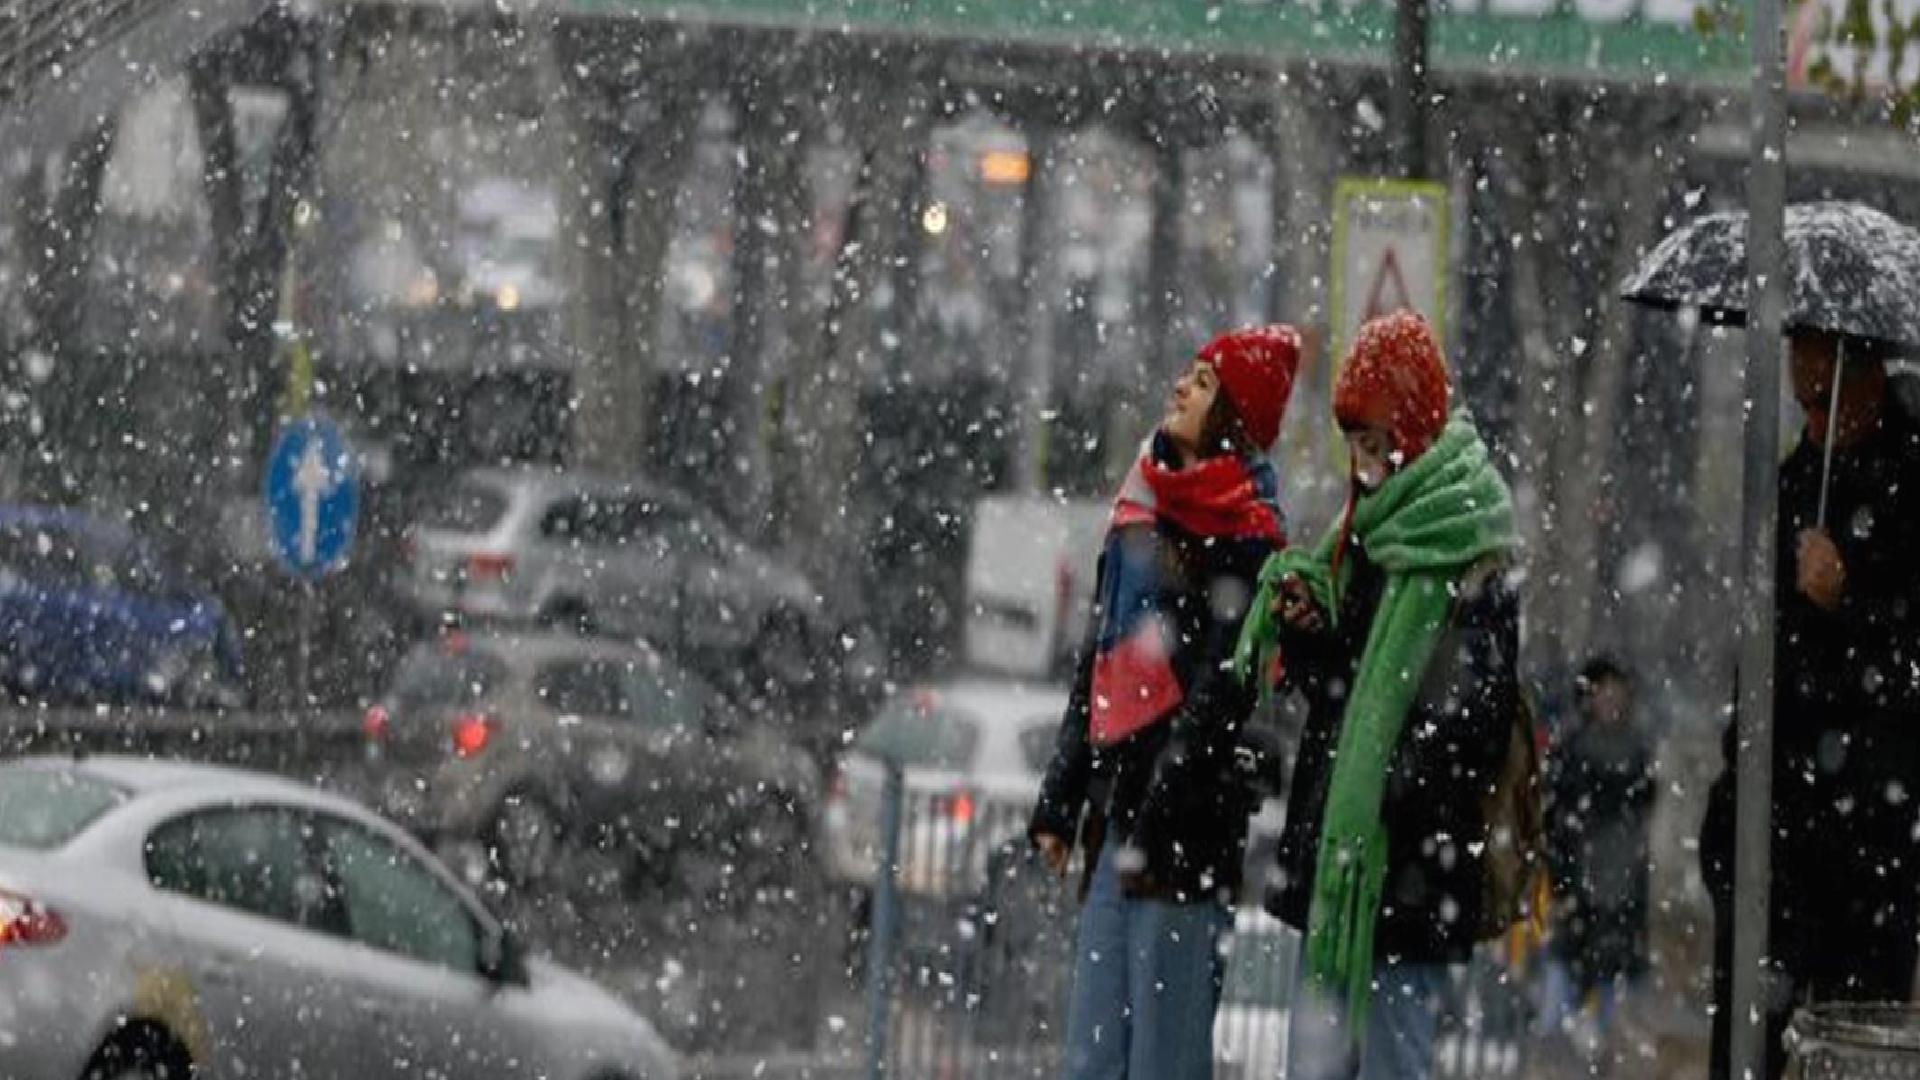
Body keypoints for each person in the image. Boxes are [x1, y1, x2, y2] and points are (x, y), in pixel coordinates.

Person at [1235, 311, 1521, 1080]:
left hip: (1408, 876)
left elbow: (1474, 720)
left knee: (1396, 1058)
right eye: (1354, 447)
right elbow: (1342, 689)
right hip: (1341, 868)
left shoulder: (1470, 541)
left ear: (1416, 428)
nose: (1362, 467)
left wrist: (1389, 788)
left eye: (1374, 444)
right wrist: (1303, 633)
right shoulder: (1361, 532)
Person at [1028, 324, 1301, 1080]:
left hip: (1185, 838)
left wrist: (1153, 820)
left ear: (1233, 419)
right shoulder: (1141, 508)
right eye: (1187, 374)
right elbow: (1099, 664)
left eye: (1204, 384)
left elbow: (1219, 693)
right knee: (1091, 1061)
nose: (1180, 387)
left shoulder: (1249, 540)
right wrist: (1062, 797)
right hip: (1122, 823)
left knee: (1163, 1064)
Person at [1702, 331, 1920, 1080]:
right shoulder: (1798, 479)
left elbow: (1902, 661)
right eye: (1802, 399)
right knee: (1749, 1040)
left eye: (1824, 395)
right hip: (1776, 830)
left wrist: (1849, 600)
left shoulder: (1906, 477)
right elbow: (1760, 656)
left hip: (1870, 837)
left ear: (1866, 375)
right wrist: (1730, 805)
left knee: (1859, 1046)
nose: (1813, 416)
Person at [1537, 656, 1655, 1069]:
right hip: (1580, 892)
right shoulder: (1573, 750)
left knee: (1606, 1012)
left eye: (1615, 690)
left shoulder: (1635, 750)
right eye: (1602, 690)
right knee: (1560, 1007)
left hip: (1618, 893)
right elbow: (1556, 824)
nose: (1610, 700)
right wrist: (1564, 885)